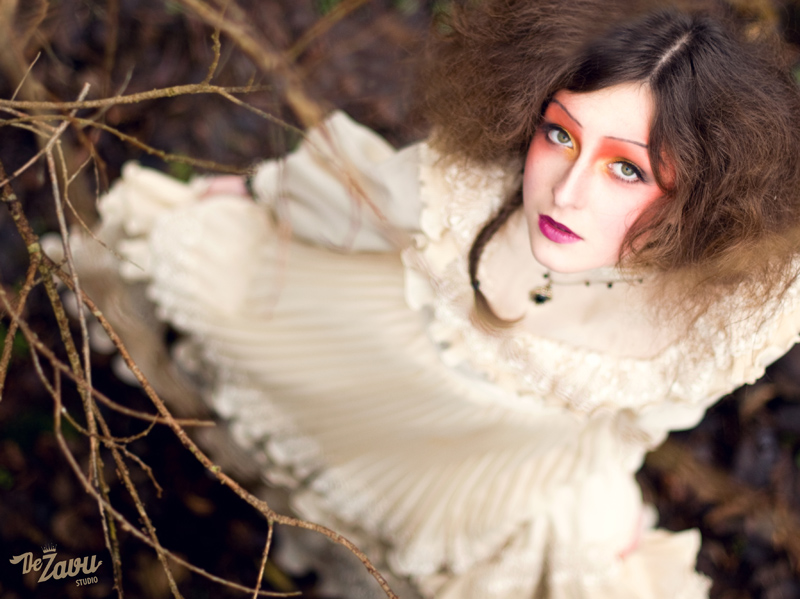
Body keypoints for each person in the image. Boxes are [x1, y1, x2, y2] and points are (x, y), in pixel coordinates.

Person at [72, 0, 800, 597]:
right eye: (559, 134)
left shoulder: (710, 325)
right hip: (377, 358)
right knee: (220, 281)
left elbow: (640, 425)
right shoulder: (462, 195)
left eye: (626, 170)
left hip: (493, 462)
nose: (567, 191)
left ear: (701, 197)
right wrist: (253, 194)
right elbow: (349, 204)